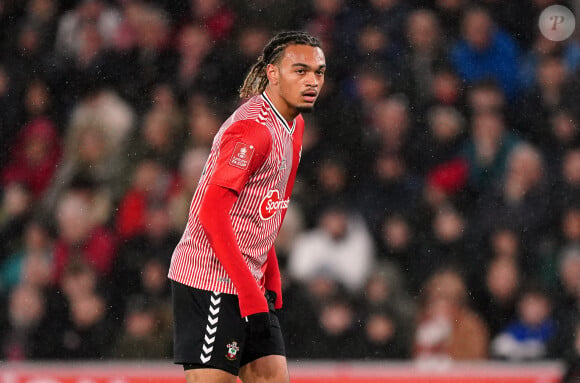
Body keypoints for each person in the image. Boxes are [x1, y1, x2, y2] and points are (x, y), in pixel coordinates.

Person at [168, 31, 326, 383]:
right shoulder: (253, 130)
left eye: (318, 72)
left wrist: (269, 270)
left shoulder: (294, 125)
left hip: (246, 279)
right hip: (210, 279)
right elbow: (211, 212)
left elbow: (265, 207)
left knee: (272, 378)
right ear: (272, 73)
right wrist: (249, 289)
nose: (312, 81)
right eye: (299, 71)